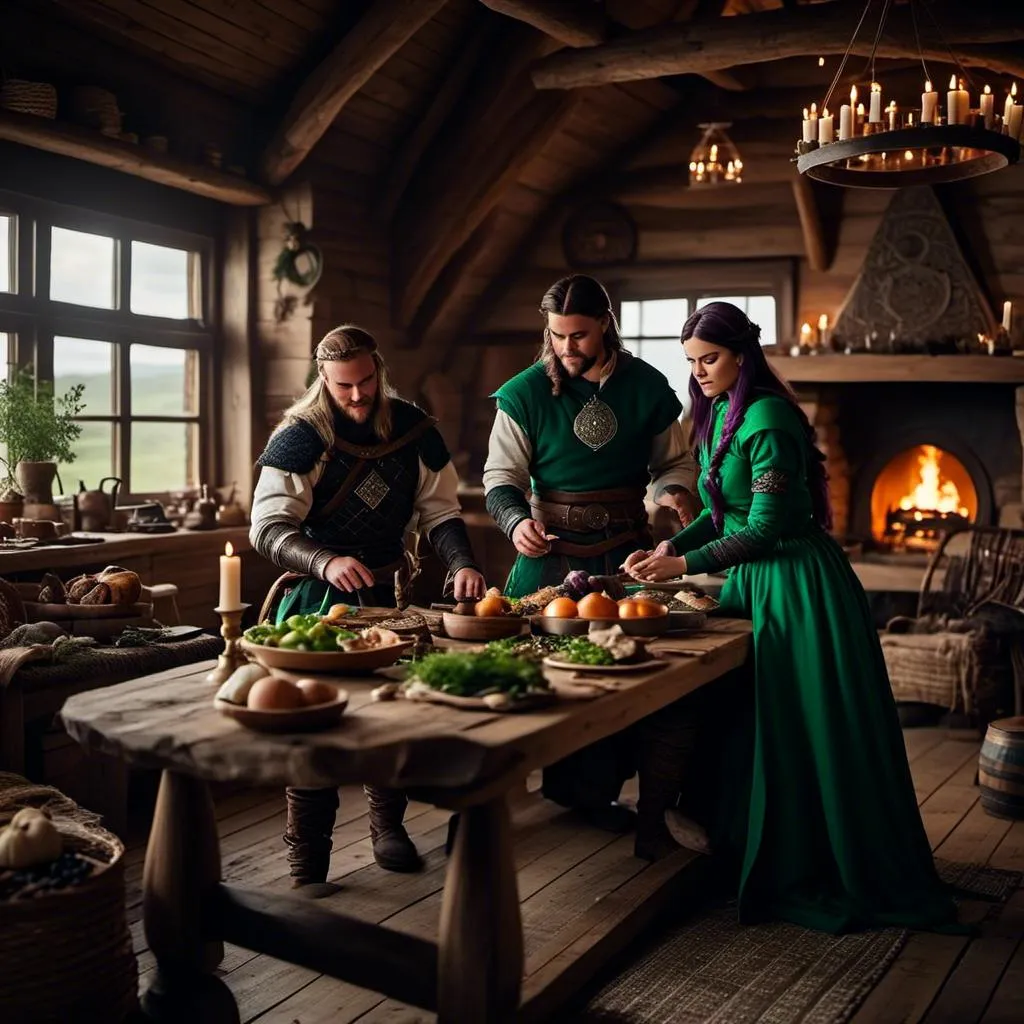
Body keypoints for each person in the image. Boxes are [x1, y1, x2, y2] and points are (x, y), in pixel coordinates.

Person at [624, 301, 959, 933]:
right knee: (751, 717)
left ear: (742, 355)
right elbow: (726, 509)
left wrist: (685, 565)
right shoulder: (722, 409)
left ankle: (816, 857)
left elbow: (769, 525)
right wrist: (673, 545)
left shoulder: (768, 416)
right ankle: (751, 845)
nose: (698, 372)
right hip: (757, 582)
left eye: (710, 359)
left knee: (803, 724)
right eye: (691, 362)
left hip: (799, 587)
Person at [251, 324, 486, 886]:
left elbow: (441, 512)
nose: (356, 397)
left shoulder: (413, 430)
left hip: (385, 597)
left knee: (389, 715)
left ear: (378, 370)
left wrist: (462, 563)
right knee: (312, 725)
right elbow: (266, 527)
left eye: (364, 382)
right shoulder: (301, 437)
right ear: (322, 380)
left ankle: (388, 828)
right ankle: (308, 858)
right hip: (313, 601)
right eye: (342, 387)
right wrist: (325, 562)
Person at [483, 273, 701, 852]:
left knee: (620, 680)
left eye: (579, 335)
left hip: (623, 558)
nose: (567, 348)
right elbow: (500, 478)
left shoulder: (648, 387)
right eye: (557, 336)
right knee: (532, 676)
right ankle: (490, 805)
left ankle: (594, 794)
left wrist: (672, 496)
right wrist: (514, 522)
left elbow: (673, 467)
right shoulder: (523, 392)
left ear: (605, 324)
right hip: (547, 557)